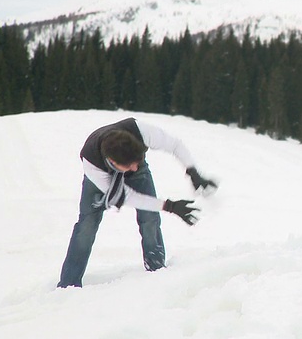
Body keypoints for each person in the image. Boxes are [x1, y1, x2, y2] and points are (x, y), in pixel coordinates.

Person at [57, 117, 217, 288]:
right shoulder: (92, 163)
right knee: (86, 226)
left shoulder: (140, 131)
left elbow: (175, 144)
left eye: (137, 161)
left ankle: (156, 269)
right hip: (99, 178)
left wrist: (193, 172)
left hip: (131, 164)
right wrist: (169, 206)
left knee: (150, 219)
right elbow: (128, 197)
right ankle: (69, 284)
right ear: (113, 162)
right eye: (130, 165)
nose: (134, 168)